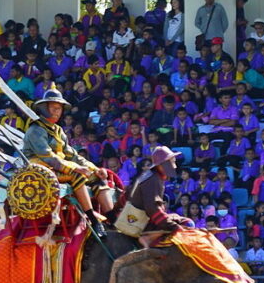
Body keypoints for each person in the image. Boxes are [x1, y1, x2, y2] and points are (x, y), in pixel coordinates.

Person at [21, 86, 111, 238]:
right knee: (78, 177)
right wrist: (75, 169)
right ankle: (94, 221)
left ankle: (113, 217)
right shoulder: (35, 130)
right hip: (40, 171)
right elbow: (48, 157)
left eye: (59, 109)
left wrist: (95, 169)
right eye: (54, 108)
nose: (58, 112)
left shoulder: (58, 130)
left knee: (98, 179)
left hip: (59, 167)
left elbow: (72, 155)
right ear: (44, 109)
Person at [117, 146, 195, 244]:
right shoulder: (153, 180)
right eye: (172, 162)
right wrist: (174, 227)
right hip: (143, 222)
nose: (174, 166)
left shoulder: (148, 176)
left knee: (176, 217)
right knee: (188, 223)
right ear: (162, 164)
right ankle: (150, 238)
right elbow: (152, 209)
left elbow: (127, 193)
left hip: (139, 216)